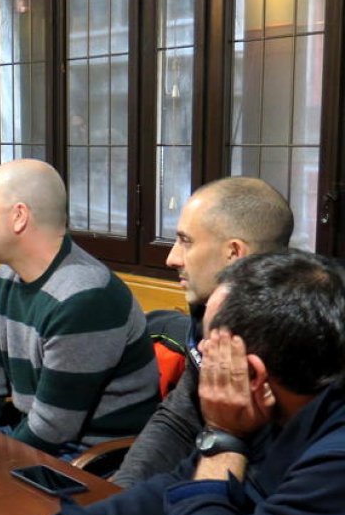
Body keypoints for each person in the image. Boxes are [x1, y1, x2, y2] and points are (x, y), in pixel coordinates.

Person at [0, 251, 345, 515]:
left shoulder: (332, 469)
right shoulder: (288, 396)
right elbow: (181, 487)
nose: (201, 358)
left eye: (209, 351)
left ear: (253, 375)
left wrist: (223, 437)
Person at [0, 159, 158, 458]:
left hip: (90, 463)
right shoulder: (5, 279)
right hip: (35, 439)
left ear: (19, 216)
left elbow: (53, 428)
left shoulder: (84, 297)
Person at [113, 177, 292, 487]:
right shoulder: (207, 314)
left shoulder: (297, 343)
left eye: (186, 241)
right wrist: (119, 492)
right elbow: (180, 420)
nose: (172, 258)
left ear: (234, 253)